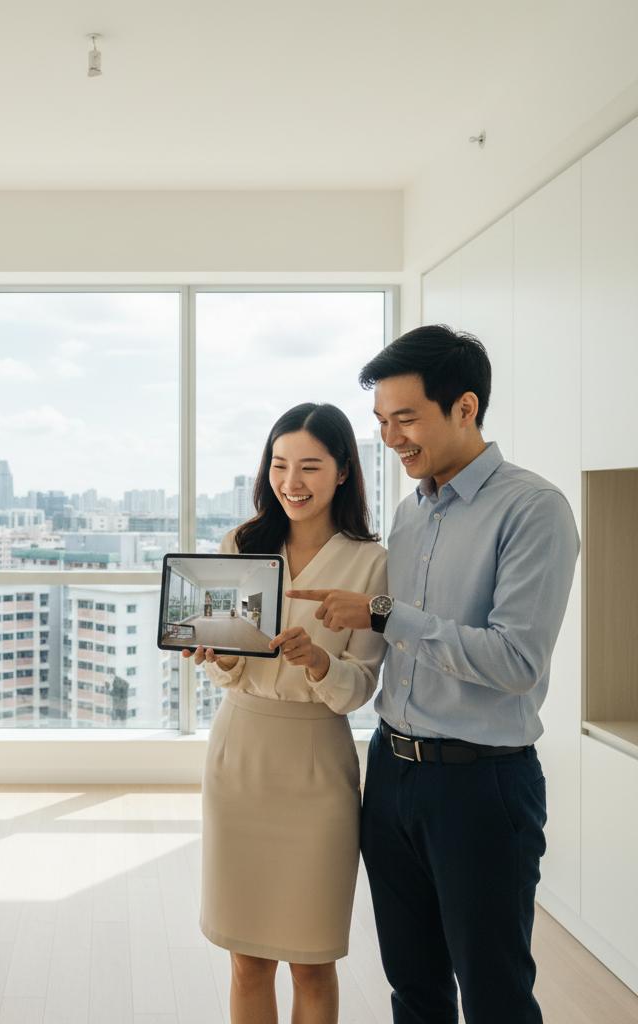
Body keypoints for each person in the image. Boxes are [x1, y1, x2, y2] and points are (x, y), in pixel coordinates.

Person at [290, 326, 580, 1024]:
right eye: (382, 421)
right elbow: (387, 649)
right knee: (414, 989)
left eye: (407, 418)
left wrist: (385, 612)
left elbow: (515, 661)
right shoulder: (408, 512)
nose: (392, 437)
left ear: (465, 408)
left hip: (481, 786)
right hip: (391, 774)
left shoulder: (533, 509)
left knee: (494, 996)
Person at [185, 402, 387, 1024]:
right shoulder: (241, 545)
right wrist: (217, 656)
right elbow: (231, 670)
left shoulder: (372, 563)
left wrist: (319, 663)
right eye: (278, 465)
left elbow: (363, 688)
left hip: (316, 770)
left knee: (312, 960)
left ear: (344, 471)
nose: (290, 483)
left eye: (309, 467)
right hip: (240, 757)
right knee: (246, 960)